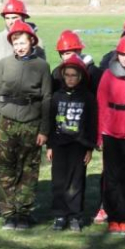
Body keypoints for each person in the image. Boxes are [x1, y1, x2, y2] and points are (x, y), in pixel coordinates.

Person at [0, 0, 46, 221]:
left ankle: (22, 206)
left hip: (29, 114)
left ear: (24, 17)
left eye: (15, 17)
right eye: (7, 18)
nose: (10, 22)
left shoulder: (38, 44)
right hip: (3, 109)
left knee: (26, 162)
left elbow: (41, 80)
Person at [47, 55, 96, 232]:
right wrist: (50, 145)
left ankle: (75, 215)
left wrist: (89, 148)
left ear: (81, 77)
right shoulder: (56, 97)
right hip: (59, 144)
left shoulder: (88, 98)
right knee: (58, 181)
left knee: (76, 181)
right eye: (67, 75)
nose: (70, 78)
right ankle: (60, 215)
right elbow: (51, 122)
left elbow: (92, 123)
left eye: (74, 75)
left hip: (79, 145)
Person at [96, 34, 125, 235]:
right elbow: (101, 104)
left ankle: (124, 217)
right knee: (112, 177)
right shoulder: (108, 75)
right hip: (111, 132)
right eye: (123, 55)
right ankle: (113, 215)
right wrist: (99, 135)